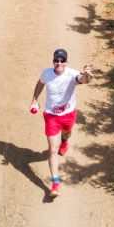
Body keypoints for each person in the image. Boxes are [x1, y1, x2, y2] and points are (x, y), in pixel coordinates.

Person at [29, 48, 92, 197]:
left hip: (68, 114)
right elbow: (40, 84)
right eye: (56, 60)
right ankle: (55, 184)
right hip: (51, 116)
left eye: (61, 60)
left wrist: (87, 75)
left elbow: (83, 80)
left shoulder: (71, 74)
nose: (58, 63)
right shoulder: (46, 73)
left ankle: (64, 141)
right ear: (53, 61)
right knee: (52, 150)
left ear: (66, 62)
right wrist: (34, 99)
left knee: (67, 133)